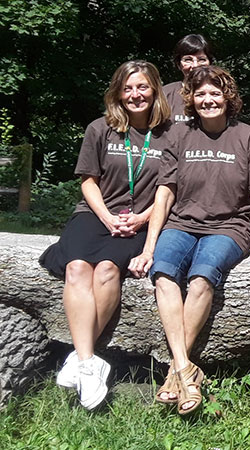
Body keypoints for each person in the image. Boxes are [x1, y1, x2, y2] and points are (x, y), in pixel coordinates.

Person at [128, 65, 250, 415]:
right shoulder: (180, 136)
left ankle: (172, 373)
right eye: (200, 94)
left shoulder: (246, 136)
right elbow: (165, 192)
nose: (208, 99)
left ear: (228, 98)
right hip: (181, 223)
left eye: (215, 93)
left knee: (200, 279)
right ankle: (183, 368)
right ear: (191, 100)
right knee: (164, 275)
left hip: (229, 227)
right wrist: (149, 247)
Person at [39, 60, 172, 409]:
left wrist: (142, 218)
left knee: (108, 269)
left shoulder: (169, 134)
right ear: (117, 93)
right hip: (96, 214)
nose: (135, 94)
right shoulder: (100, 129)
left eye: (142, 87)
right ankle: (89, 361)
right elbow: (88, 181)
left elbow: (168, 189)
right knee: (77, 268)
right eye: (128, 88)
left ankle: (79, 359)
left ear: (155, 91)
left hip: (142, 220)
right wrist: (108, 217)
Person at [162, 34, 213, 123]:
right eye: (188, 60)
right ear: (178, 64)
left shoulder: (220, 94)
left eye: (201, 59)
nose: (195, 65)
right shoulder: (165, 94)